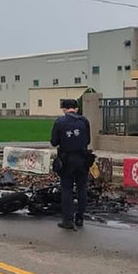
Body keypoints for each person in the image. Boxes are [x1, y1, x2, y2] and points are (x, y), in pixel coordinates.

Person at [50, 98, 92, 230]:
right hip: (83, 159)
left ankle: (68, 220)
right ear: (77, 109)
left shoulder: (60, 122)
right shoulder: (84, 121)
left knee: (67, 189)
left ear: (64, 109)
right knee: (82, 188)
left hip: (67, 160)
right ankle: (80, 218)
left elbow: (54, 142)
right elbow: (88, 140)